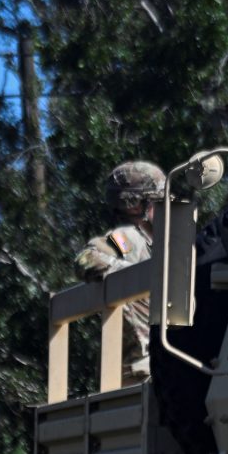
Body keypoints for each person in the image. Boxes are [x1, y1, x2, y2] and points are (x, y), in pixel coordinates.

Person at [74, 160, 166, 381]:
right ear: (136, 205)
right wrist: (134, 274)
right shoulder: (127, 238)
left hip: (152, 367)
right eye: (157, 201)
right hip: (141, 370)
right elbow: (86, 258)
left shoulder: (152, 241)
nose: (164, 206)